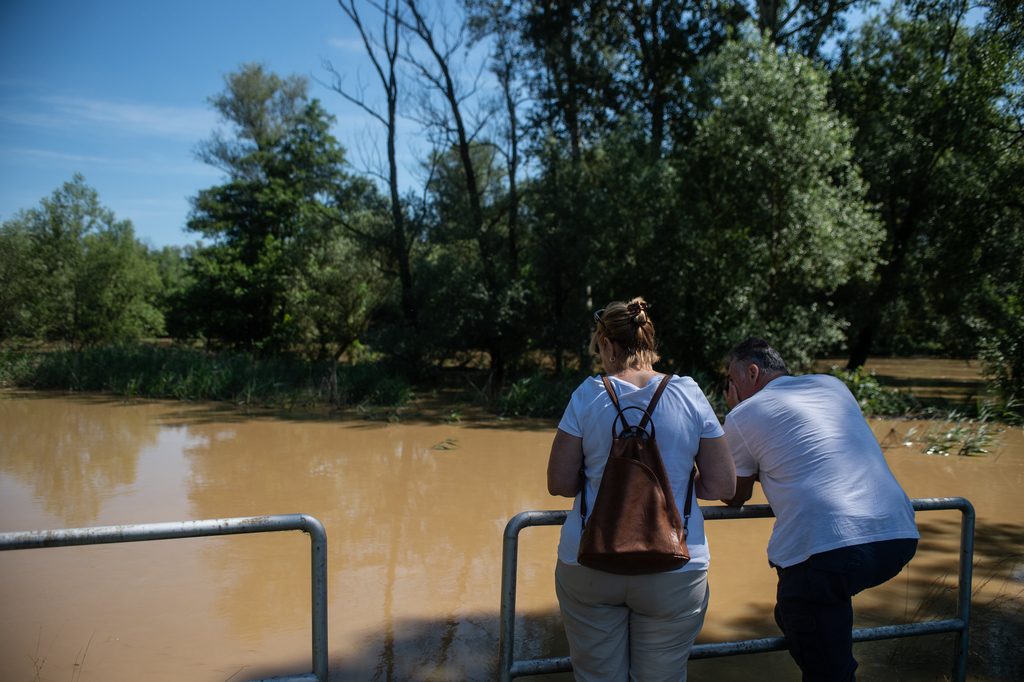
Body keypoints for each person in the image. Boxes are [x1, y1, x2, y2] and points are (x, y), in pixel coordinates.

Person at [547, 298, 736, 682]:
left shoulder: (588, 394)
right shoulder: (688, 393)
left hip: (589, 562)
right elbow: (722, 485)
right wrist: (675, 484)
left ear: (609, 346)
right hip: (676, 565)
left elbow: (560, 484)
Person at [721, 337, 919, 682]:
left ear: (752, 373)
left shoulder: (743, 414)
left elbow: (734, 495)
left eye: (731, 381)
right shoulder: (832, 384)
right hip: (897, 536)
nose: (729, 390)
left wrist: (734, 415)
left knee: (828, 673)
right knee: (797, 610)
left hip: (829, 551)